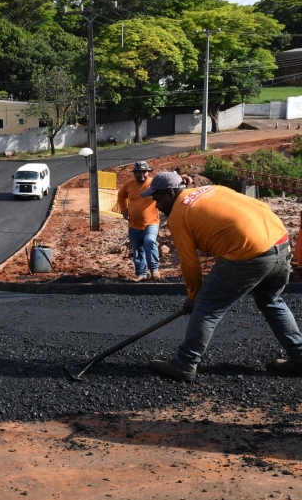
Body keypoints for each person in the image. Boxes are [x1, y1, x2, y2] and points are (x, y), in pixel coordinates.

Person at [142, 172, 302, 381]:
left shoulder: (179, 216)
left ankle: (185, 363)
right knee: (271, 300)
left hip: (249, 253)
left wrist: (194, 296)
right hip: (280, 243)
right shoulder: (213, 189)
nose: (156, 205)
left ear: (171, 193)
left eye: (158, 198)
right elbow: (261, 206)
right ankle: (299, 358)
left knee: (207, 308)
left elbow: (189, 263)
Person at [117, 161, 161, 281]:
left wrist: (184, 177)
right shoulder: (129, 185)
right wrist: (124, 210)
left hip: (151, 222)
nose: (142, 174)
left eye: (144, 172)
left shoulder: (154, 183)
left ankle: (154, 270)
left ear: (148, 172)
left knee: (150, 241)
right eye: (138, 172)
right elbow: (121, 196)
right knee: (137, 249)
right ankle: (141, 273)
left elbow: (168, 185)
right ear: (134, 173)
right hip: (134, 225)